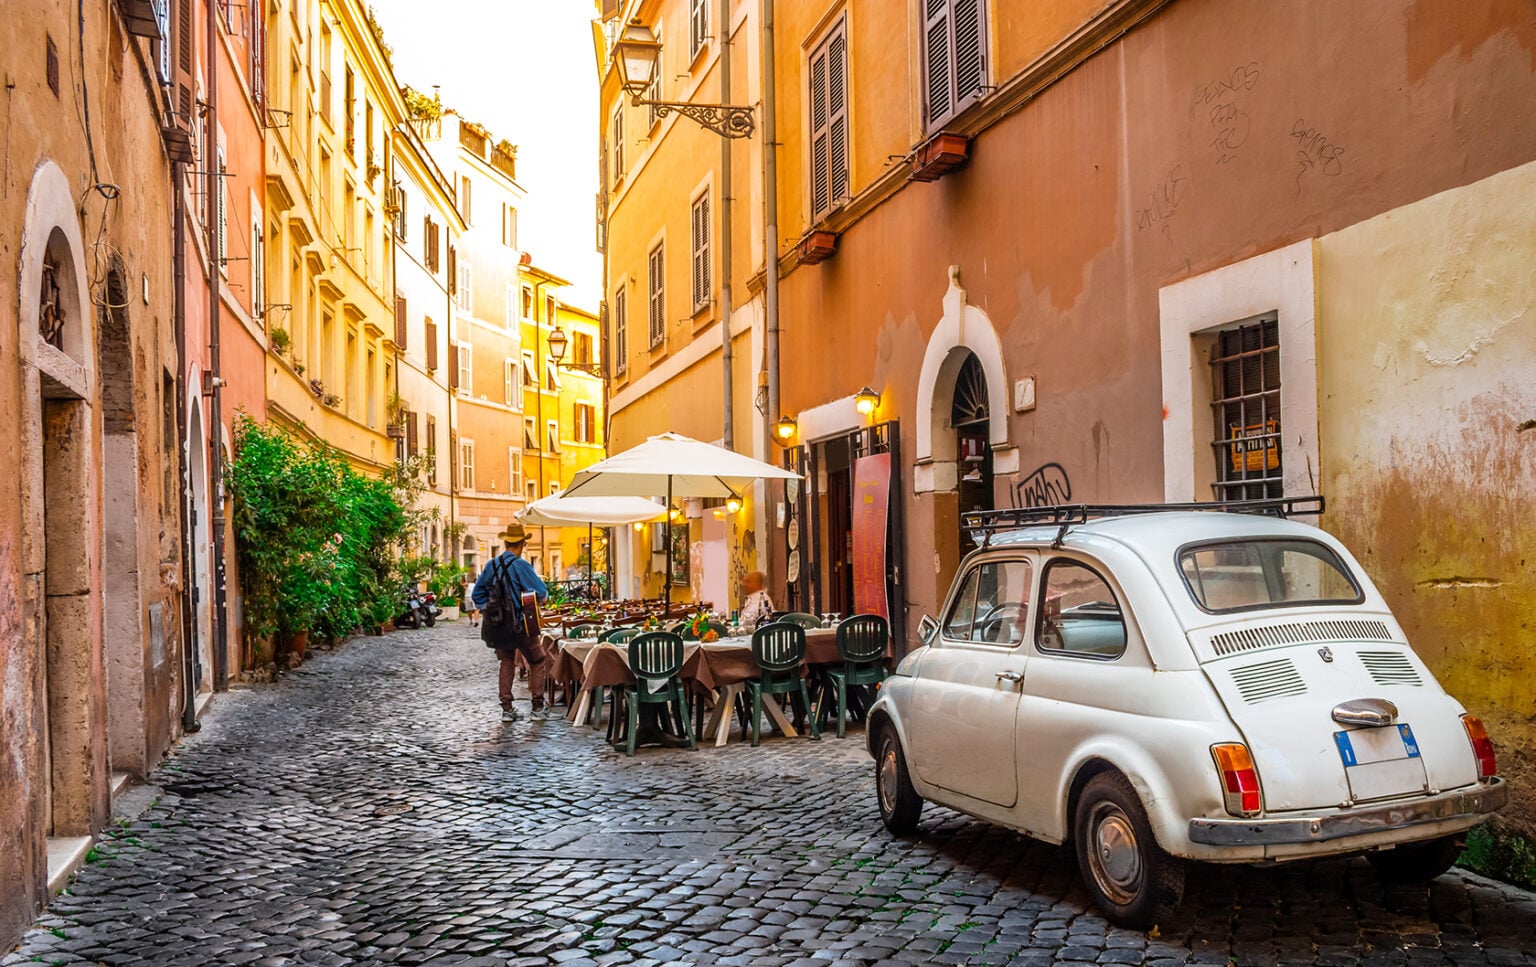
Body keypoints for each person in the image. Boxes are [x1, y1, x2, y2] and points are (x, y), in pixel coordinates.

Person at [472, 523, 550, 722]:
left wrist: (488, 610)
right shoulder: (521, 565)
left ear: (506, 542)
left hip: (499, 625)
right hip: (522, 623)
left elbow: (477, 594)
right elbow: (541, 592)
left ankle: (507, 709)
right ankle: (538, 707)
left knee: (506, 662)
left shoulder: (492, 565)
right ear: (522, 544)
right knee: (537, 660)